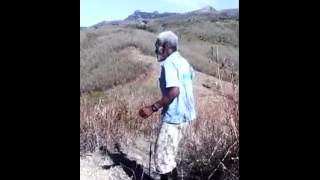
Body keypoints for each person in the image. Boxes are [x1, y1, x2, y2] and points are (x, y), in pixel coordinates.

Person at [139, 31, 196, 180]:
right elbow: (191, 77)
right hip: (186, 116)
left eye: (157, 46)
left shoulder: (169, 63)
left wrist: (152, 108)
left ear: (164, 47)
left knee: (162, 158)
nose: (156, 49)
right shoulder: (184, 62)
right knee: (169, 156)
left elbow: (174, 91)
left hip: (174, 117)